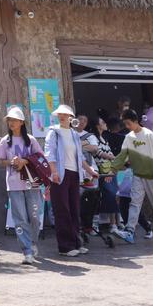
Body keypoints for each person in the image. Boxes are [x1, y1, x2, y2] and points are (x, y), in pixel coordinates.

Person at [112, 110, 153, 244]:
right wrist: (113, 169)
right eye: (125, 124)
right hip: (137, 176)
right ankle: (130, 231)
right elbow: (122, 155)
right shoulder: (129, 137)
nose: (127, 126)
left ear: (136, 121)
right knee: (134, 203)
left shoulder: (149, 134)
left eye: (128, 123)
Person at [44, 104, 99, 257]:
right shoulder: (53, 132)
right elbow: (50, 154)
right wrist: (53, 171)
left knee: (74, 208)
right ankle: (65, 247)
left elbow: (80, 157)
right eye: (59, 114)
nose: (62, 116)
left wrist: (90, 171)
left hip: (74, 175)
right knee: (62, 210)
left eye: (65, 114)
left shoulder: (74, 134)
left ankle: (76, 242)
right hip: (59, 175)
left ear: (70, 118)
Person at [0, 106, 43, 265]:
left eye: (15, 120)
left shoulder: (31, 140)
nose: (11, 122)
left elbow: (40, 157)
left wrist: (26, 161)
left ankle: (34, 242)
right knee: (20, 218)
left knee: (34, 217)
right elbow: (1, 160)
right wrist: (11, 161)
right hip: (14, 184)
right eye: (9, 120)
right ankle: (27, 251)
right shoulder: (4, 141)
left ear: (22, 122)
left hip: (32, 183)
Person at [88, 116, 120, 234]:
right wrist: (115, 158)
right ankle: (95, 224)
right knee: (98, 198)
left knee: (113, 196)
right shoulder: (92, 138)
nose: (105, 123)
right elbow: (98, 152)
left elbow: (109, 152)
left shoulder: (104, 138)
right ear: (97, 125)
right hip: (99, 173)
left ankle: (114, 223)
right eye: (102, 122)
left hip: (109, 172)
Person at [115, 167, 153, 238]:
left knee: (138, 215)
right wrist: (118, 194)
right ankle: (129, 231)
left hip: (133, 195)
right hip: (123, 195)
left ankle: (149, 229)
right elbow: (119, 184)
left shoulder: (133, 171)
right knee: (124, 214)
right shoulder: (120, 173)